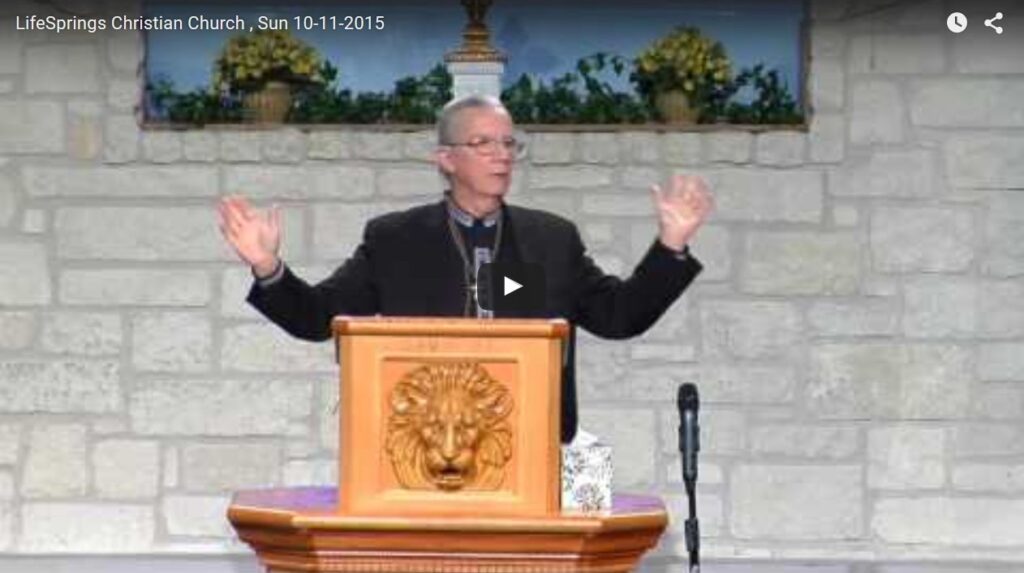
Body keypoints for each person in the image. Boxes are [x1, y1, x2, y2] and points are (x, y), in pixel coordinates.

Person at [218, 94, 713, 443]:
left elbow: (618, 314)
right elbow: (316, 316)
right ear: (447, 159)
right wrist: (267, 266)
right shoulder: (395, 239)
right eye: (484, 144)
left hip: (527, 442)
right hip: (420, 441)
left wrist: (670, 246)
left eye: (508, 144)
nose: (501, 155)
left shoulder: (550, 239)